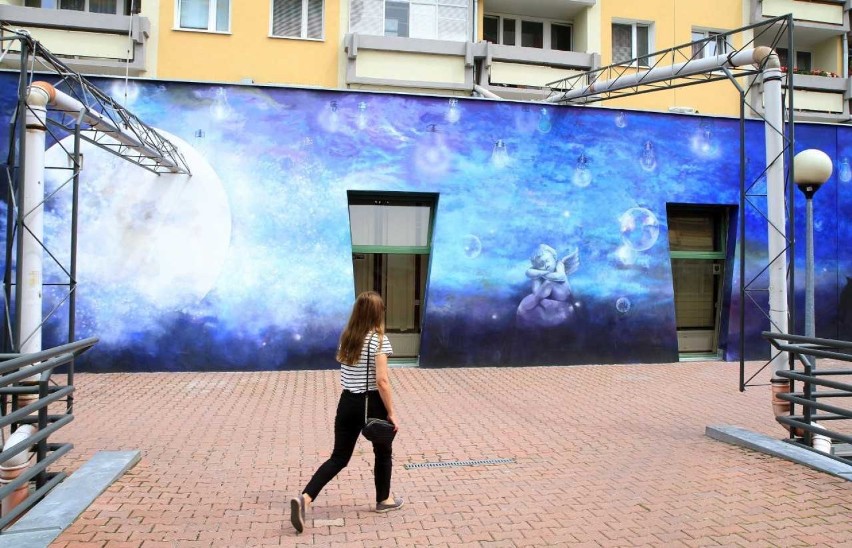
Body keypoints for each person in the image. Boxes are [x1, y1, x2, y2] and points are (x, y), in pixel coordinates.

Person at [290, 291, 403, 534]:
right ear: (377, 313)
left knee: (339, 457)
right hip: (370, 403)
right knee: (383, 452)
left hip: (347, 402)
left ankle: (305, 499)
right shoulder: (379, 340)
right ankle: (384, 500)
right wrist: (391, 412)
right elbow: (382, 381)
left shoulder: (348, 338)